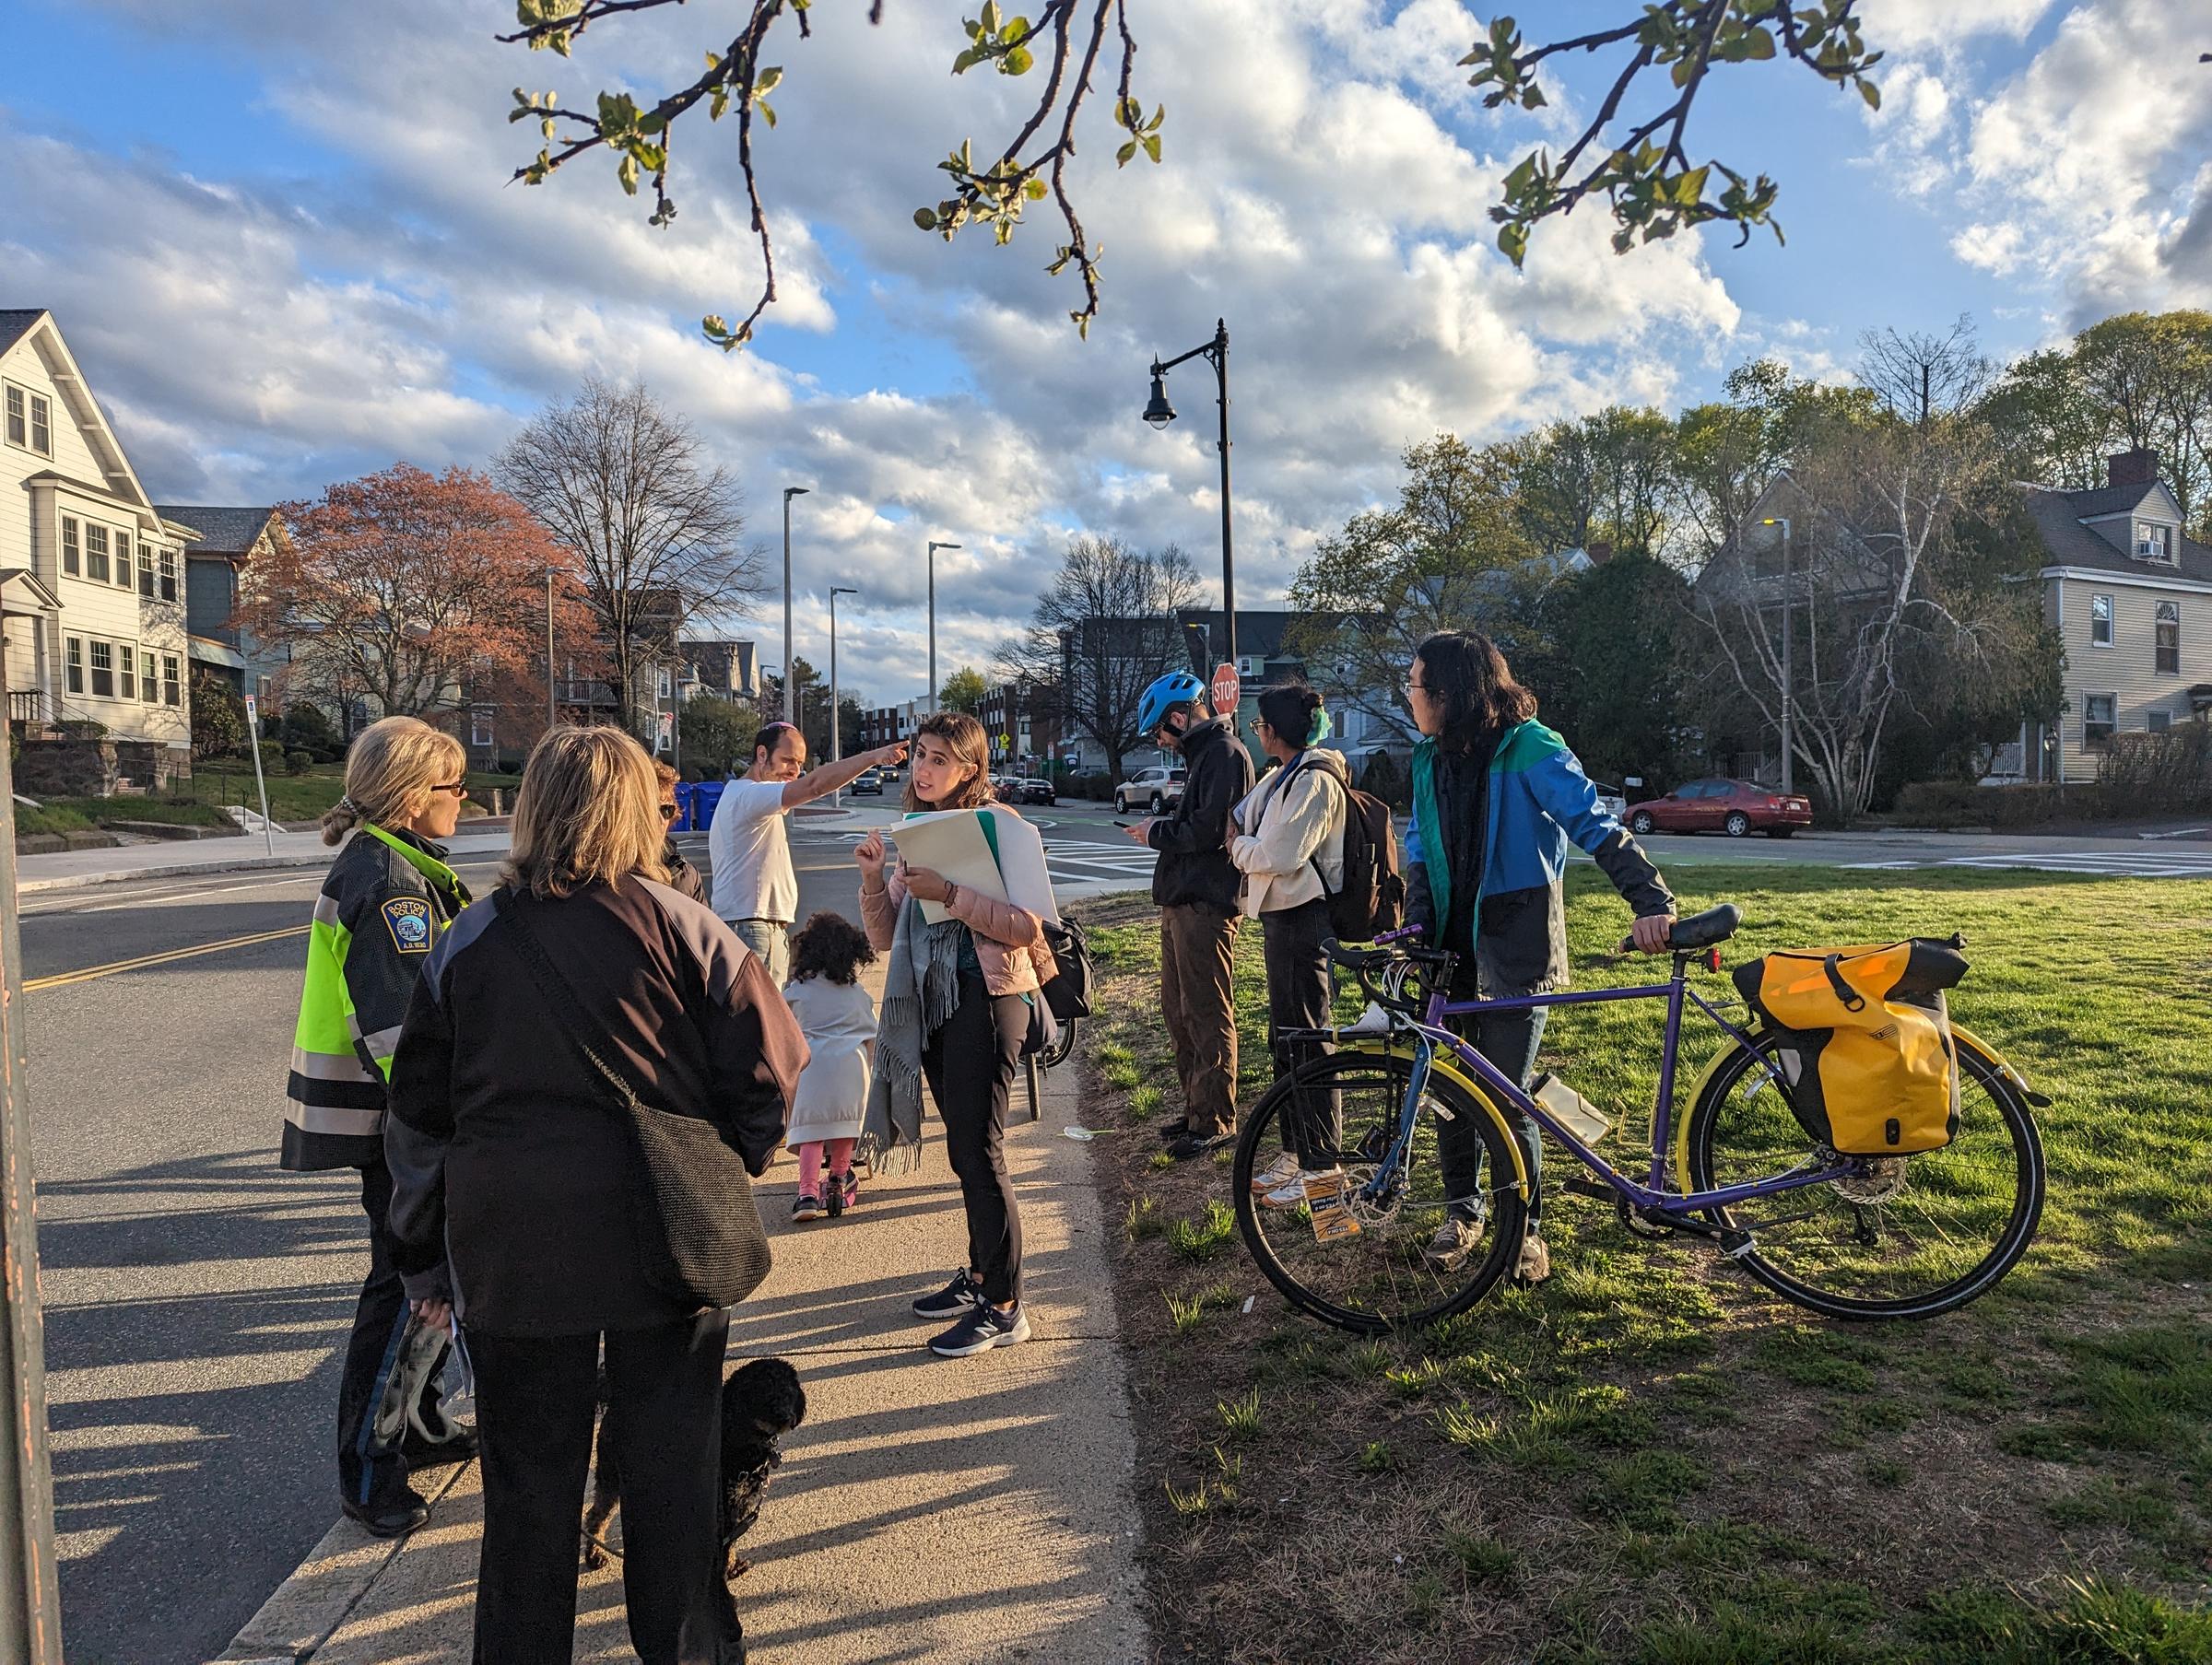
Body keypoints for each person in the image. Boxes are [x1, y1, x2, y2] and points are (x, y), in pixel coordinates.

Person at [384, 725, 806, 1665]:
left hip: (513, 1244)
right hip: (664, 1232)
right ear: (634, 808)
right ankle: (687, 1647)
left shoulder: (470, 938)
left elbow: (417, 1116)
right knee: (672, 1480)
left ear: (531, 806)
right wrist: (736, 1152)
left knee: (528, 1494)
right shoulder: (684, 924)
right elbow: (775, 1065)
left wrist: (422, 1253)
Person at [1403, 631, 1676, 1284]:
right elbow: (1417, 837)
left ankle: (1522, 1227)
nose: (1408, 696)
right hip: (1446, 948)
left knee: (1503, 1094)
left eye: (1413, 685)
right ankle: (1462, 1212)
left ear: (1447, 692)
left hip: (1514, 945)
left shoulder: (1531, 747)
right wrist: (1415, 915)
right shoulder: (1426, 757)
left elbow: (1596, 825)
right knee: (1448, 1088)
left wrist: (1650, 900)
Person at [281, 715, 477, 1539]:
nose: (465, 799)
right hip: (399, 1126)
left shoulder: (391, 864)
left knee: (413, 1286)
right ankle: (371, 1468)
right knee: (408, 1290)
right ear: (410, 794)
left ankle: (423, 1426)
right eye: (453, 785)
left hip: (386, 1120)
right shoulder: (394, 884)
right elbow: (403, 1038)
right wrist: (456, 1121)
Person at [855, 711, 1058, 1358]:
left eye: (940, 758)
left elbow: (1027, 927)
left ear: (971, 768)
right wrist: (872, 878)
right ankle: (979, 1277)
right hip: (935, 1005)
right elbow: (886, 936)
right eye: (920, 754)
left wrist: (951, 892)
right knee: (964, 1154)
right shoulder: (918, 830)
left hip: (990, 998)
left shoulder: (1003, 828)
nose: (924, 767)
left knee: (980, 1153)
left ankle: (1004, 1306)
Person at [1226, 682, 1351, 1209]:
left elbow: (1279, 854)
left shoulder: (1317, 780)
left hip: (1306, 919)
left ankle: (1325, 1170)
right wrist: (1244, 842)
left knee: (1310, 1040)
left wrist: (1240, 850)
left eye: (1258, 726)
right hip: (1280, 919)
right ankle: (1297, 1154)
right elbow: (1238, 818)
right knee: (1287, 1038)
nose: (1257, 734)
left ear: (1274, 731)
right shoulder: (1284, 776)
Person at [1124, 671, 1254, 1160]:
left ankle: (1216, 1118)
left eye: (1159, 730)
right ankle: (1196, 1109)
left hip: (1205, 904)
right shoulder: (1205, 755)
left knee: (1205, 1010)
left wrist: (1155, 832)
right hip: (1183, 901)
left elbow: (1205, 832)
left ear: (1179, 718)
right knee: (1179, 1010)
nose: (1160, 740)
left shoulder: (1223, 754)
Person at [709, 721, 908, 984]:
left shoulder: (739, 796)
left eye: (800, 763)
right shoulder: (749, 796)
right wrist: (872, 757)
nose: (795, 770)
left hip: (749, 926)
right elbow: (814, 786)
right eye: (787, 760)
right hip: (753, 928)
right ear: (761, 755)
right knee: (759, 1021)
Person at [782, 910, 879, 1224]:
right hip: (851, 1072)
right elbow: (872, 1037)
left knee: (812, 1135)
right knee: (843, 1129)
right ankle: (838, 1178)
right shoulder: (856, 995)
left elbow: (781, 1030)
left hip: (812, 1071)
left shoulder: (797, 992)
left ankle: (807, 1193)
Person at [653, 759, 707, 904]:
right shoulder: (610, 877)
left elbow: (702, 925)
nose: (660, 819)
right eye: (651, 809)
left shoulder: (686, 875)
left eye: (666, 810)